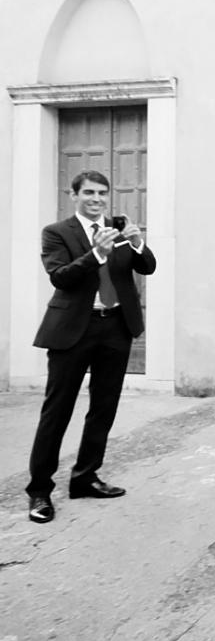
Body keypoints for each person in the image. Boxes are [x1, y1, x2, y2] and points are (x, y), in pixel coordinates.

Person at [25, 169, 157, 524]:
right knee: (58, 410)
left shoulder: (118, 230)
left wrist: (137, 242)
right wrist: (96, 255)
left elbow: (148, 267)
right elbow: (60, 277)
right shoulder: (56, 233)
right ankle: (39, 491)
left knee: (104, 407)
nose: (96, 199)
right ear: (75, 196)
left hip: (115, 327)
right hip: (72, 330)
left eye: (101, 193)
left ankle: (85, 477)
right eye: (89, 193)